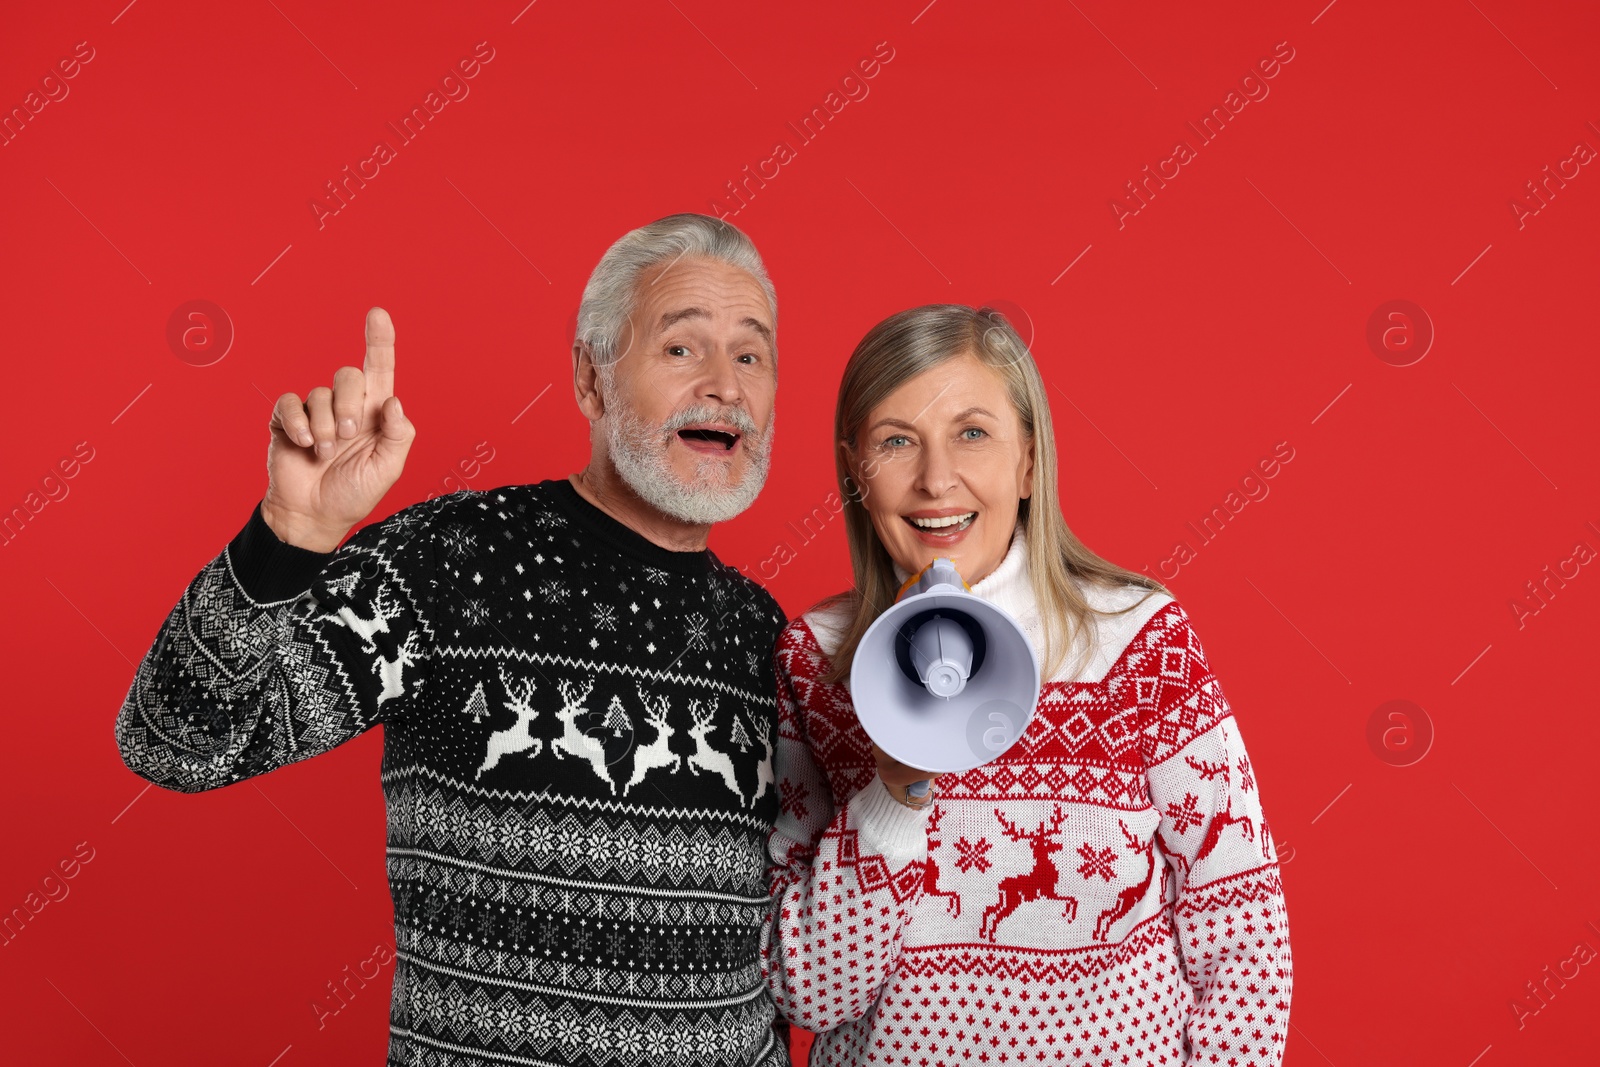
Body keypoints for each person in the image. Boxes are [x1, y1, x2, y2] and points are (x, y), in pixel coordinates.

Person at [115, 214, 796, 1066]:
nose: (725, 386)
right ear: (591, 378)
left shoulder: (769, 637)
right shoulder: (452, 561)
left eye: (750, 355)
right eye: (682, 348)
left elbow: (792, 954)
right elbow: (175, 743)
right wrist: (285, 536)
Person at [762, 305, 1293, 1065]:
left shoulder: (1139, 640)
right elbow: (811, 992)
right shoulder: (816, 662)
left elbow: (1243, 937)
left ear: (1030, 461)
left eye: (972, 433)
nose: (936, 478)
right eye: (896, 440)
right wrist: (892, 798)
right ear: (856, 470)